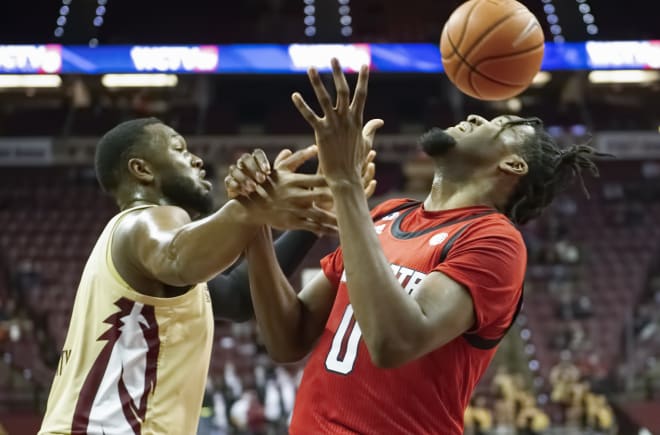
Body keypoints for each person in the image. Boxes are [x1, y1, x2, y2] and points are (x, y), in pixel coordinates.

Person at [239, 59, 606, 434]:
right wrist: (253, 222)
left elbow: (394, 342)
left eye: (500, 127)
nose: (478, 119)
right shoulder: (387, 215)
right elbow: (288, 340)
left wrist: (346, 182)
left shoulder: (495, 241)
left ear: (513, 165)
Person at [38, 117, 375, 434]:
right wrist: (253, 207)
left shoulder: (141, 261)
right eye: (179, 149)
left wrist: (312, 221)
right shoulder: (145, 222)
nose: (197, 160)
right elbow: (177, 255)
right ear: (141, 169)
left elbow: (239, 298)